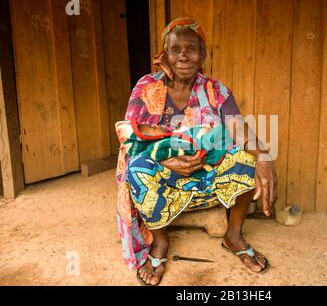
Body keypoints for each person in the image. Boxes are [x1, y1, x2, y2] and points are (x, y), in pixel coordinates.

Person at [115, 18, 278, 286]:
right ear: (165, 54)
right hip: (163, 178)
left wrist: (264, 156)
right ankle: (160, 241)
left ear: (202, 55)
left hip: (204, 177)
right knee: (136, 166)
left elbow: (237, 127)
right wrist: (167, 160)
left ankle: (233, 235)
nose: (183, 56)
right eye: (175, 49)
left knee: (247, 157)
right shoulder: (147, 87)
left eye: (191, 49)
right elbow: (128, 136)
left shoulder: (215, 91)